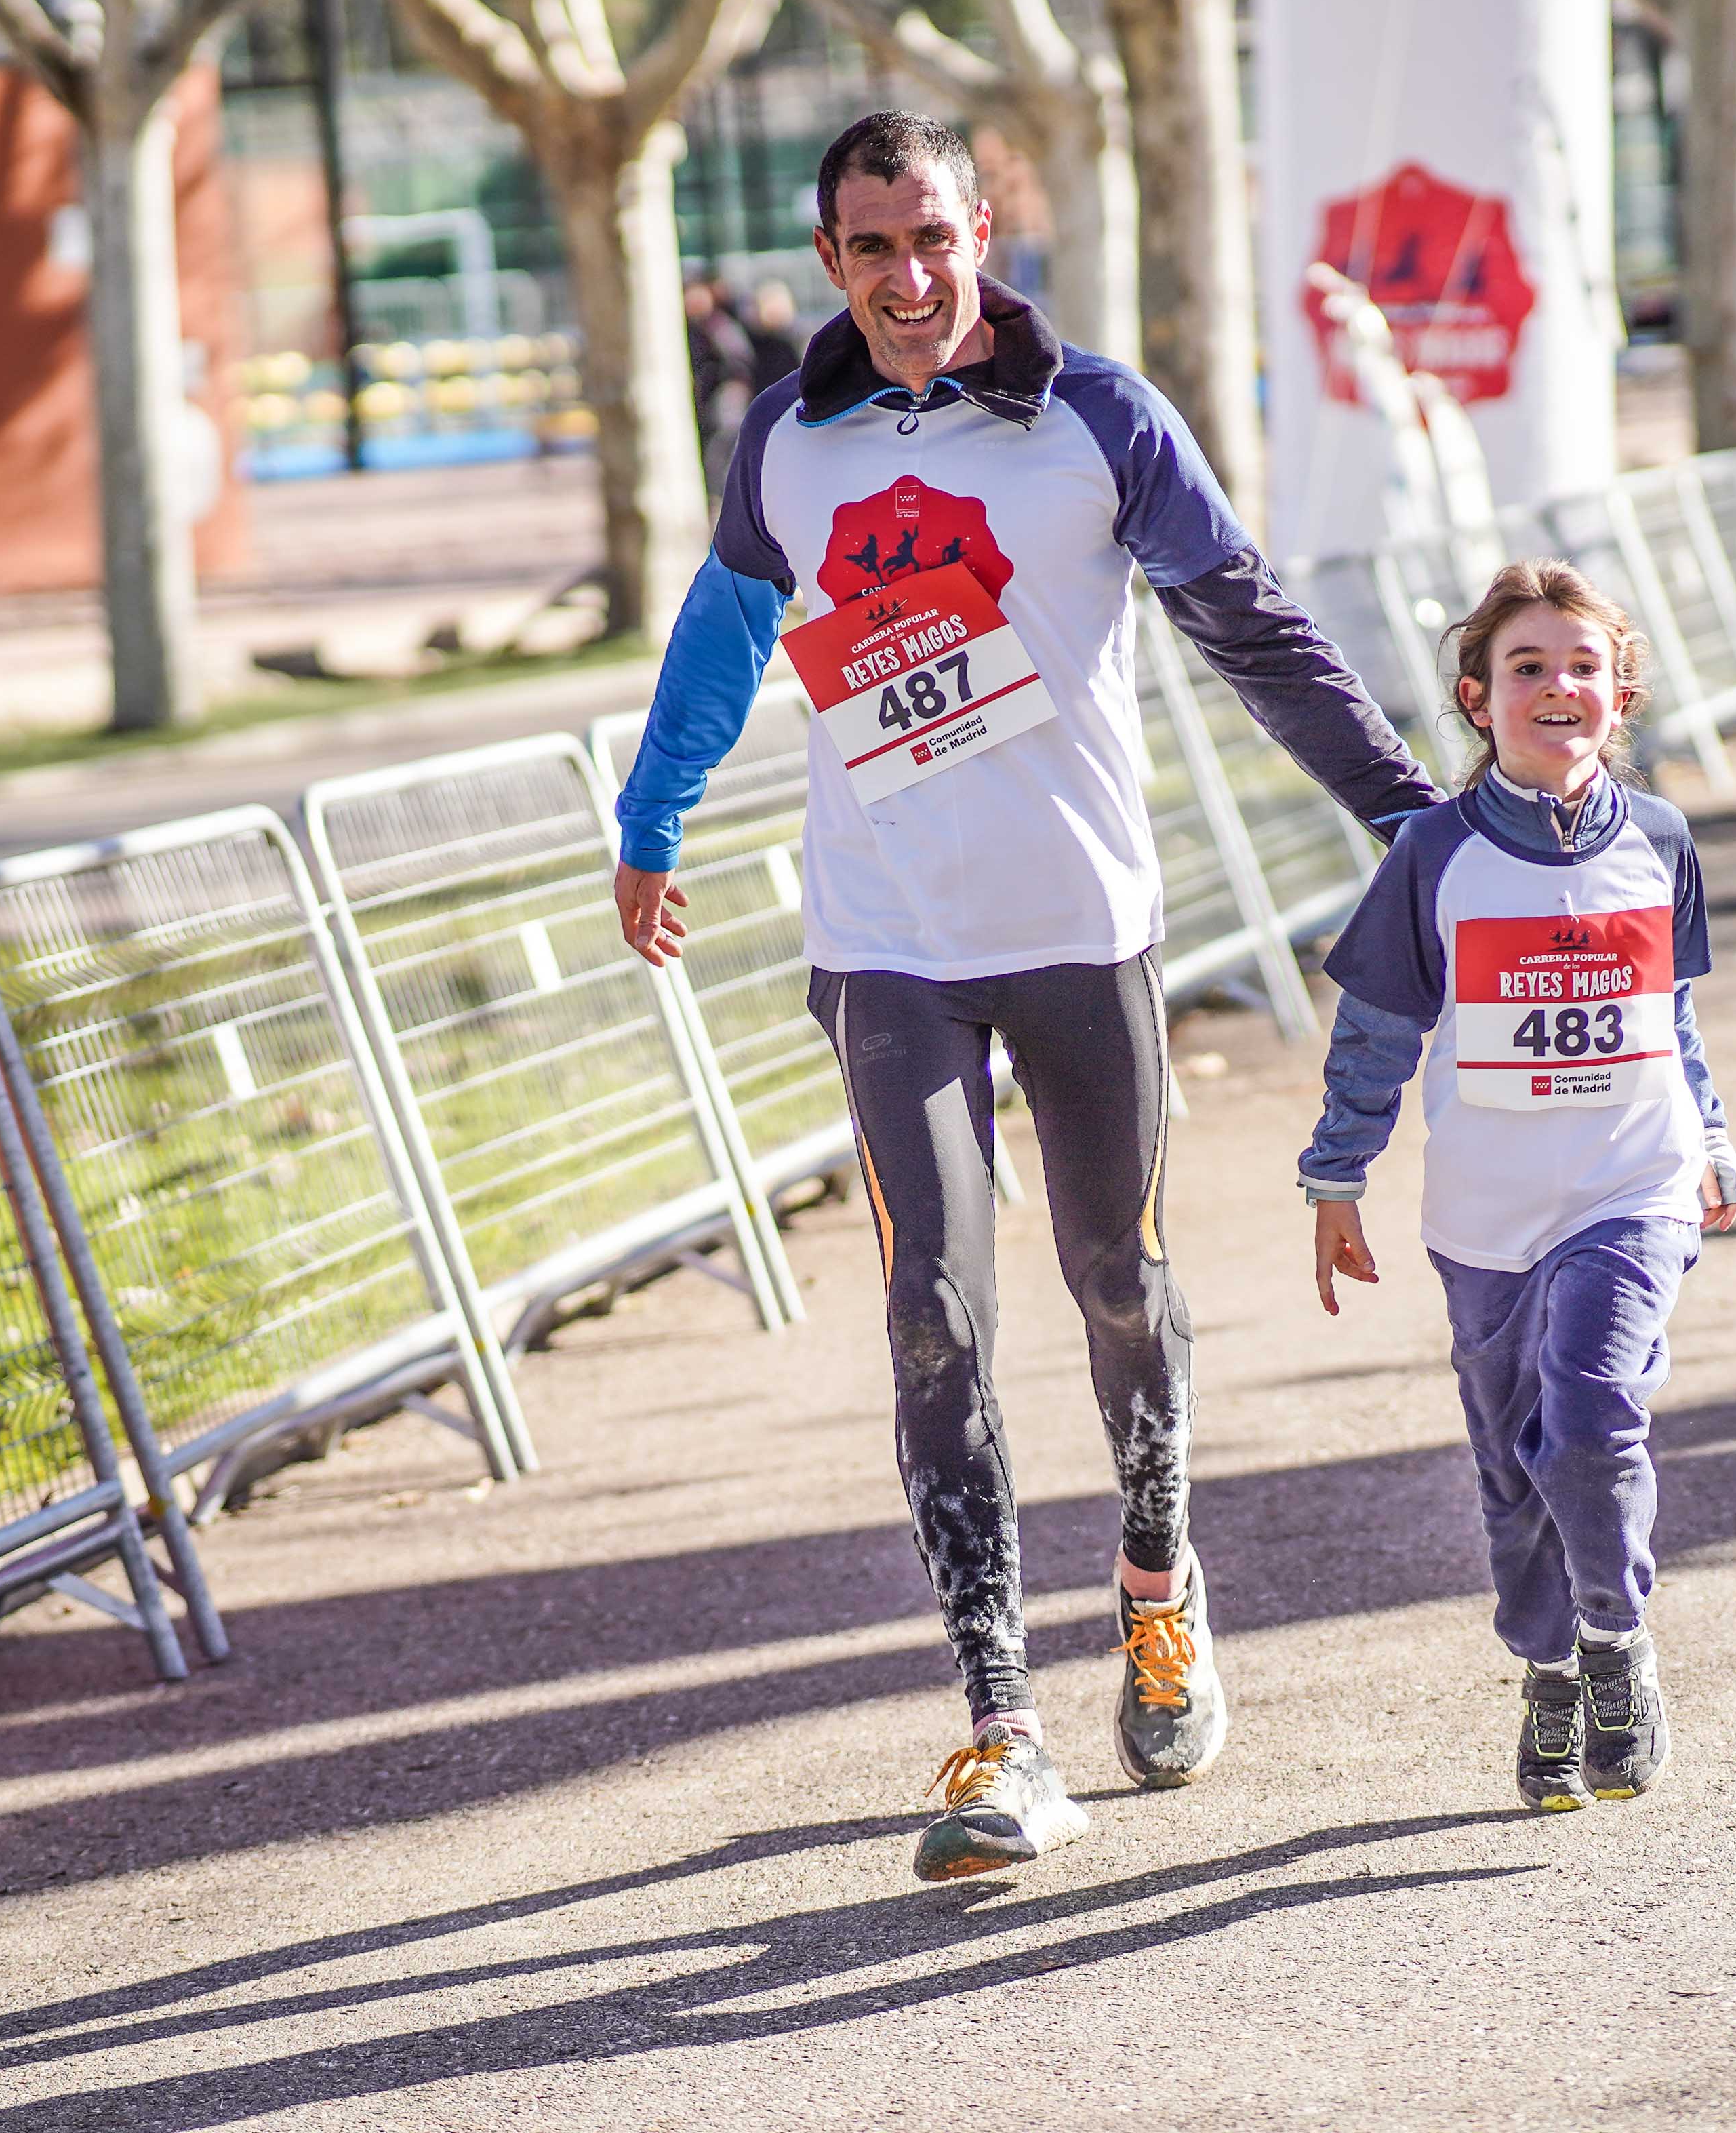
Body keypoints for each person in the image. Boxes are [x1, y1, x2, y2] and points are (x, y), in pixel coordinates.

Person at [609, 109, 1439, 1882]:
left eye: (935, 242)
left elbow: (1253, 628)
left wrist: (1407, 817)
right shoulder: (791, 435)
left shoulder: (1100, 420)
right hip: (887, 944)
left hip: (1079, 932)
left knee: (1118, 1284)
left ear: (983, 230)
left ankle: (1157, 1584)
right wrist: (650, 816)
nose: (909, 284)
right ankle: (1000, 1722)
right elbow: (723, 626)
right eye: (870, 252)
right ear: (827, 262)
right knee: (937, 1317)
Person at [1301, 563, 1736, 1810]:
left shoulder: (1660, 837)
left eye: (1584, 668)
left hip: (1633, 1184)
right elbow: (1377, 1030)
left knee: (1595, 1412)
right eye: (1528, 669)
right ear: (1478, 699)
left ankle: (1617, 1642)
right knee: (1511, 1468)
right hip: (1487, 1215)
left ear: (1623, 694)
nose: (1559, 688)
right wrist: (1337, 1175)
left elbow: (1669, 1011)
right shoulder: (1435, 855)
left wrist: (1710, 1135)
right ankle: (1548, 1667)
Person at [683, 277, 755, 493]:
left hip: (720, 408)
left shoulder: (719, 327)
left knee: (720, 460)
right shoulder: (689, 330)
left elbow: (739, 364)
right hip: (701, 407)